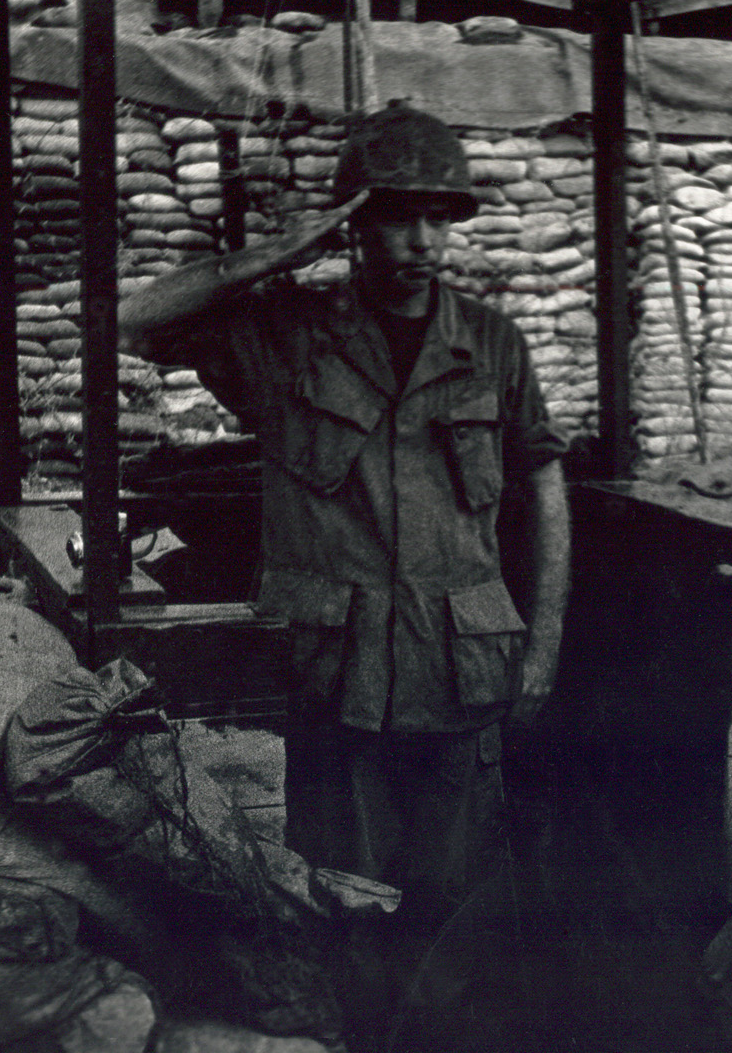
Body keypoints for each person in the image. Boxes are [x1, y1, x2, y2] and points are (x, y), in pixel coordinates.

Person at [119, 103, 569, 1053]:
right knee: (341, 901)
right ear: (355, 227)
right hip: (339, 674)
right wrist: (284, 250)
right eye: (398, 216)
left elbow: (544, 485)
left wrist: (545, 646)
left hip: (463, 667)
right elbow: (135, 320)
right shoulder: (288, 335)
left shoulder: (491, 342)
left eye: (439, 218)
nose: (422, 240)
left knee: (456, 913)